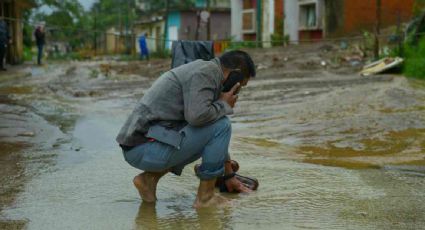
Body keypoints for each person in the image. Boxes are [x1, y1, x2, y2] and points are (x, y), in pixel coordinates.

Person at [116, 50, 256, 208]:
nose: (238, 91)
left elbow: (211, 134)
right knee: (222, 125)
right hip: (143, 148)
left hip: (144, 145)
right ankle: (206, 198)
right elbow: (198, 118)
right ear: (235, 75)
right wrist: (223, 105)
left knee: (216, 126)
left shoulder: (207, 73)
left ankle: (149, 180)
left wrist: (229, 174)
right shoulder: (206, 73)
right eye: (241, 85)